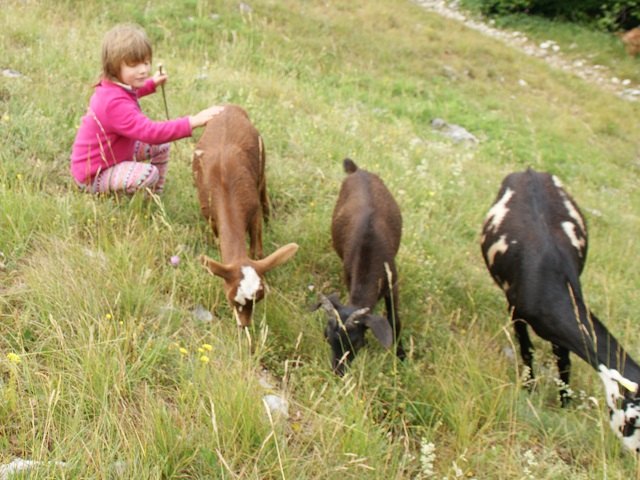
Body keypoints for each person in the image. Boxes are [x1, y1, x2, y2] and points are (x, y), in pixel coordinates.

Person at [70, 24, 224, 194]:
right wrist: (192, 122)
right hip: (94, 175)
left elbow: (130, 95)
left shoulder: (114, 88)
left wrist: (151, 84)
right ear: (114, 67)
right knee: (147, 174)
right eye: (134, 65)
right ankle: (126, 195)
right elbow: (150, 132)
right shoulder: (113, 103)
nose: (143, 70)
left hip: (113, 156)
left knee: (162, 145)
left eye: (146, 62)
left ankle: (155, 194)